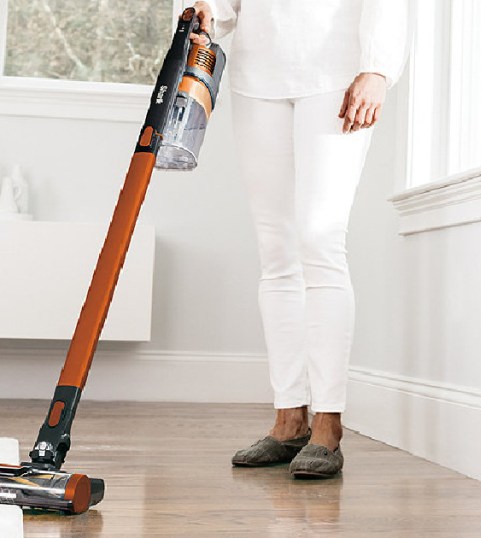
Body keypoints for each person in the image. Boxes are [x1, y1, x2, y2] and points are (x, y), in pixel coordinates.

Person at [191, 0, 408, 478]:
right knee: (276, 251)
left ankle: (328, 423)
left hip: (336, 71)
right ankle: (289, 418)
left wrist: (377, 69)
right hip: (258, 76)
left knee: (320, 241)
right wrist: (208, 15)